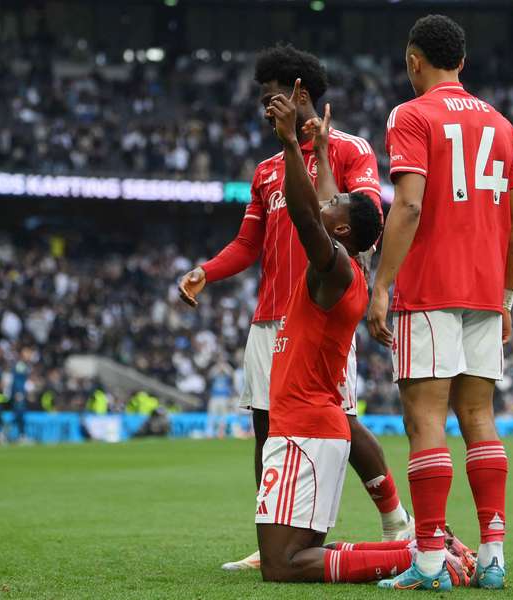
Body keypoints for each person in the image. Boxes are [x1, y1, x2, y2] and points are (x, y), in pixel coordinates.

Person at [178, 44, 413, 571]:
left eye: (271, 97)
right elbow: (247, 243)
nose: (264, 108)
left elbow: (363, 222)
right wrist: (206, 271)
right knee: (267, 433)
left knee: (342, 423)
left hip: (321, 313)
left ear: (299, 93)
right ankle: (272, 537)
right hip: (269, 319)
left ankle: (396, 519)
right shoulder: (266, 170)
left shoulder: (348, 150)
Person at [366, 15, 513, 591]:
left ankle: (431, 563)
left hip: (431, 289)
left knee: (425, 419)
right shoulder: (503, 126)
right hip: (486, 293)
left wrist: (381, 283)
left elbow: (407, 207)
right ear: (462, 60)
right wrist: (505, 297)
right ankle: (492, 558)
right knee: (480, 417)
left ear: (415, 60)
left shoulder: (410, 115)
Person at [254, 84, 432, 585]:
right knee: (294, 556)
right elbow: (328, 208)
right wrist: (325, 151)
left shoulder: (332, 269)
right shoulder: (347, 267)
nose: (329, 202)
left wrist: (292, 144)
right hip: (314, 428)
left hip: (304, 430)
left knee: (281, 566)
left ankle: (414, 558)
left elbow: (306, 213)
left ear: (342, 232)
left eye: (338, 207)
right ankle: (415, 550)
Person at [206, 358, 234, 438]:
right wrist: (218, 368)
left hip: (224, 397)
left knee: (223, 416)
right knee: (211, 415)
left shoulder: (227, 370)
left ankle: (221, 433)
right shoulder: (214, 370)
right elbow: (210, 375)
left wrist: (224, 367)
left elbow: (231, 374)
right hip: (214, 396)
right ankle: (209, 432)